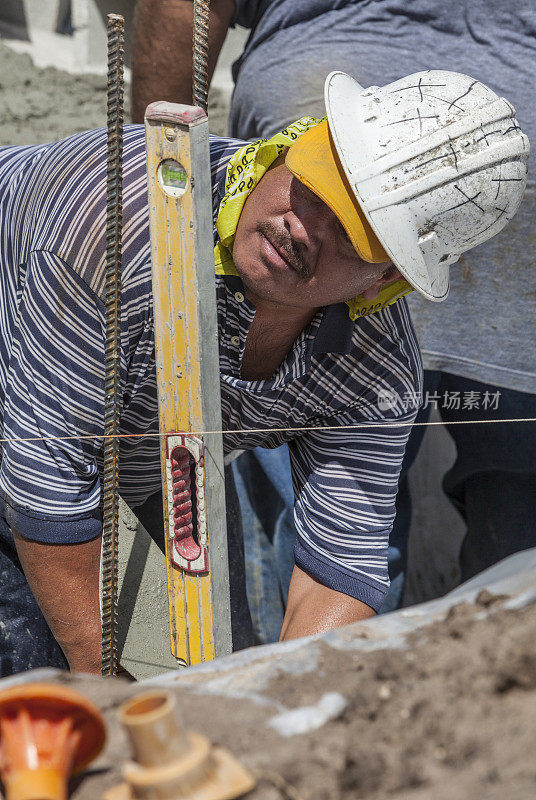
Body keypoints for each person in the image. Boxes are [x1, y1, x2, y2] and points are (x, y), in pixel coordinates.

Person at [0, 69, 527, 676]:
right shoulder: (109, 222)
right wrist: (108, 691)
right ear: (290, 148)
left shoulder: (375, 375)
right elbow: (46, 484)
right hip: (29, 430)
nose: (300, 230)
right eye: (310, 189)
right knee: (40, 675)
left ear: (386, 281)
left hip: (119, 463)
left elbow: (342, 566)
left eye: (350, 237)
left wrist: (283, 709)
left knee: (215, 663)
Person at [132, 0, 536, 633]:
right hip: (491, 167)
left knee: (306, 506)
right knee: (518, 535)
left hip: (323, 107)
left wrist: (158, 169)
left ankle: (278, 706)